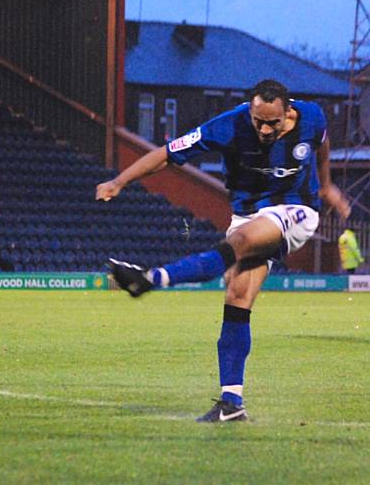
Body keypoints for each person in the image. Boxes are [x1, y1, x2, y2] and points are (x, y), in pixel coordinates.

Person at [96, 79, 350, 423]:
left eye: (272, 123)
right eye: (258, 120)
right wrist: (119, 181)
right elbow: (168, 154)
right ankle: (232, 403)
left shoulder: (311, 117)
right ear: (250, 110)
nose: (264, 129)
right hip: (247, 214)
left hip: (296, 209)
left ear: (288, 112)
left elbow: (322, 143)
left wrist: (327, 184)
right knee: (237, 295)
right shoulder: (228, 125)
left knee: (241, 242)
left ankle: (152, 278)